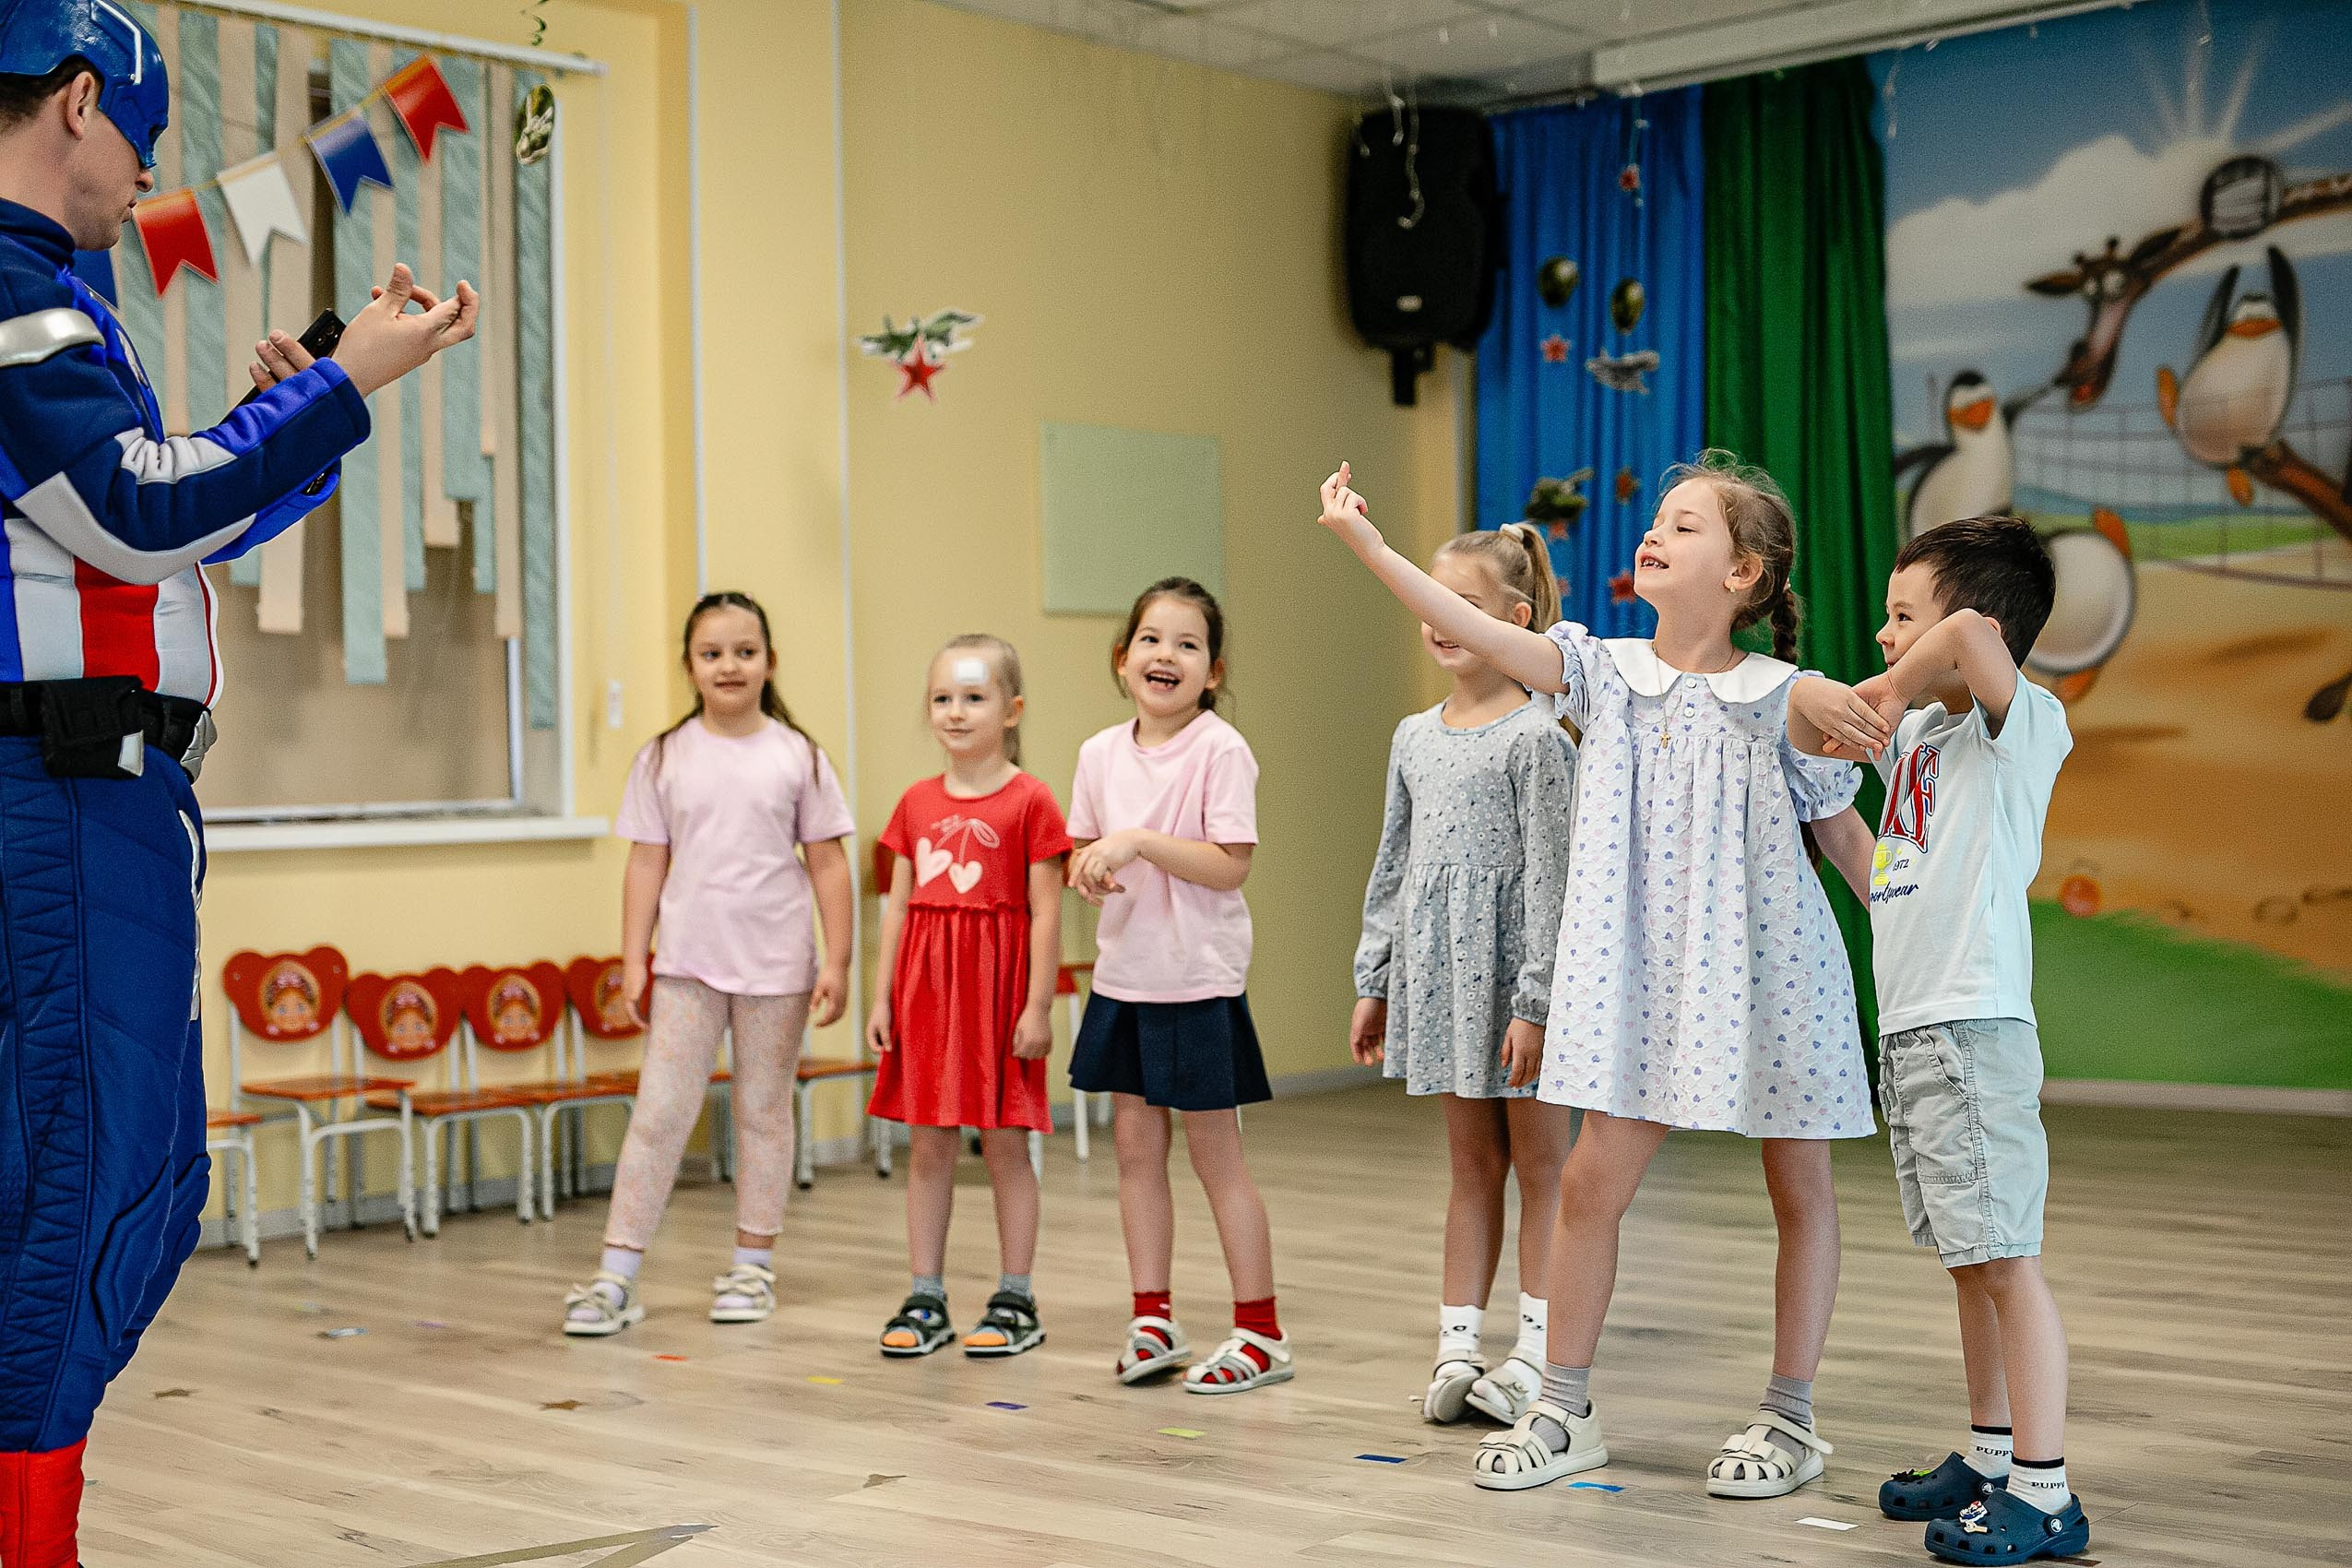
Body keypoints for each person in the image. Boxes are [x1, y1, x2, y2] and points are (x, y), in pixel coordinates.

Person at [0, 5, 475, 1558]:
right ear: (78, 100)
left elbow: (140, 540)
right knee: (87, 1178)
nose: (147, 175)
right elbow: (135, 511)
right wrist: (340, 389)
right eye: (140, 132)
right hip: (60, 801)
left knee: (104, 1176)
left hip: (95, 804)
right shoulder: (11, 292)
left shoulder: (51, 303)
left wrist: (303, 418)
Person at [1315, 455, 1887, 1496]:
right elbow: (1480, 628)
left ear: (1744, 572)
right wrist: (1367, 543)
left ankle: (1790, 1417)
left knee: (1799, 1187)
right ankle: (1563, 1404)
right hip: (1637, 982)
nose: (1654, 534)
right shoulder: (1605, 674)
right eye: (1656, 520)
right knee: (1586, 1184)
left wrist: (1924, 935)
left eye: (1686, 524)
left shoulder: (1787, 696)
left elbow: (1853, 847)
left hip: (1775, 979)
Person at [1787, 517, 2089, 1563]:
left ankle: (2046, 1494)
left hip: (1972, 1027)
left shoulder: (2027, 724)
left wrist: (1882, 690)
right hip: (1915, 1031)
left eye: (1897, 617)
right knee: (1971, 1261)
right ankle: (1993, 1456)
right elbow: (1890, 878)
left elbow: (1961, 631)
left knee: (2006, 1259)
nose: (1884, 636)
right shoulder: (1919, 741)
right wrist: (1830, 817)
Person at [561, 592, 854, 1336]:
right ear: (690, 666)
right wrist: (634, 961)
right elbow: (645, 865)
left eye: (745, 651)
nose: (730, 665)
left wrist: (839, 961)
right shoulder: (664, 757)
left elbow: (828, 865)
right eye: (713, 653)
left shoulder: (799, 757)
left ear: (770, 662)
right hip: (688, 966)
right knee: (659, 1114)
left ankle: (753, 1269)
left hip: (778, 968)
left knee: (762, 1114)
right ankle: (615, 1277)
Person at [1348, 523, 1577, 1427]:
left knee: (1541, 1165)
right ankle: (1455, 1344)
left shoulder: (1540, 736)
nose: (1440, 621)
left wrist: (1537, 1002)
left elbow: (1555, 878)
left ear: (1515, 620)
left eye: (1465, 606)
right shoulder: (1414, 736)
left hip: (1519, 980)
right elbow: (1393, 864)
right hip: (1441, 974)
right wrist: (1377, 975)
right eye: (1430, 603)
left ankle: (1538, 1348)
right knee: (1470, 1162)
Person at [1065, 577, 1291, 1395]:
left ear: (1213, 671)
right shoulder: (1097, 754)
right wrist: (1089, 868)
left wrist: (1136, 843)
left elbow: (1230, 867)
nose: (1168, 655)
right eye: (1152, 640)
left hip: (1197, 982)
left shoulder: (1220, 751)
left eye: (1188, 644)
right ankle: (1152, 1317)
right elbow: (1084, 849)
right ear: (1123, 659)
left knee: (1216, 1158)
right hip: (1125, 980)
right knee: (1134, 1152)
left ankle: (1262, 1331)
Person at [865, 635, 1070, 1360]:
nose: (956, 712)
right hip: (926, 1000)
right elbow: (897, 907)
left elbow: (1047, 910)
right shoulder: (915, 804)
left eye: (974, 697)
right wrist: (883, 997)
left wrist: (1037, 1006)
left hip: (999, 998)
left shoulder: (1031, 800)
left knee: (1007, 1145)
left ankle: (1016, 1295)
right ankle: (926, 1294)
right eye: (943, 698)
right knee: (927, 1147)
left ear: (1011, 710)